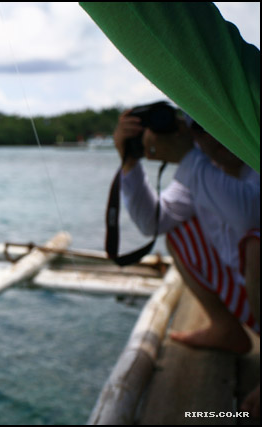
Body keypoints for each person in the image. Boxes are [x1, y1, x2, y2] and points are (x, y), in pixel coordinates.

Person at [114, 108, 260, 415]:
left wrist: (187, 158)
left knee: (256, 245)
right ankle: (225, 327)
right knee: (177, 235)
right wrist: (131, 162)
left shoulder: (243, 164)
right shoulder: (204, 167)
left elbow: (249, 214)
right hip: (249, 299)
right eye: (201, 126)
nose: (214, 135)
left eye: (221, 122)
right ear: (188, 131)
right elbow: (154, 222)